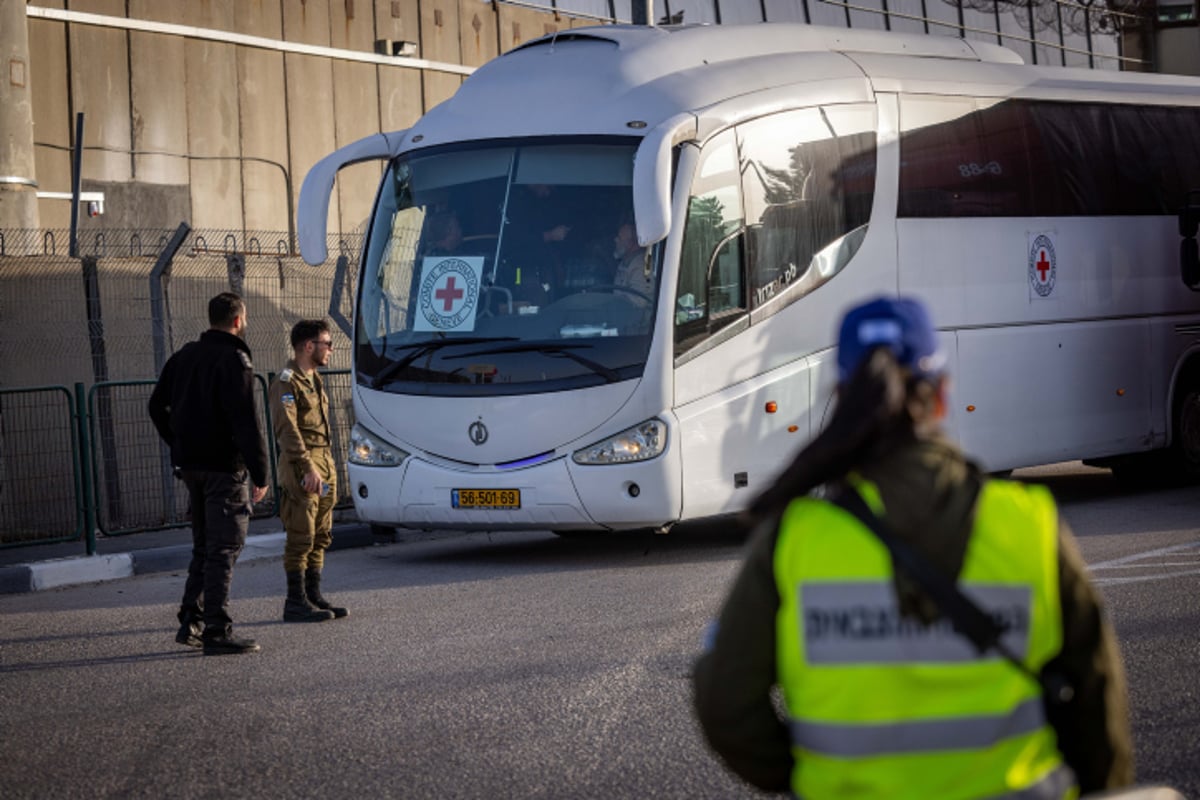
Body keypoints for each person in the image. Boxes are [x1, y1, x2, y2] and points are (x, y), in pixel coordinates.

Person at [693, 296, 1133, 798]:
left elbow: (724, 703)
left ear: (842, 395)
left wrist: (803, 779)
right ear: (942, 396)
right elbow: (1098, 698)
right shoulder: (1028, 522)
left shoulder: (795, 536)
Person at [148, 292, 269, 656]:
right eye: (244, 318)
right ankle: (217, 630)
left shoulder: (183, 356)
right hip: (223, 469)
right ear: (237, 320)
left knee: (205, 546)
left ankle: (193, 620)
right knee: (224, 547)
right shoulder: (235, 359)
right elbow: (246, 423)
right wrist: (261, 473)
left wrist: (179, 444)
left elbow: (156, 407)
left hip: (192, 467)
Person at [268, 319, 347, 623]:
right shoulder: (287, 381)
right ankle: (295, 601)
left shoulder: (315, 378)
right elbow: (288, 430)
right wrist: (307, 467)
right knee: (301, 534)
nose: (331, 349)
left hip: (324, 463)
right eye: (327, 343)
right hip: (304, 465)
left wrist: (325, 467)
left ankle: (313, 595)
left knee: (321, 533)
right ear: (309, 346)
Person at [611, 219, 652, 297]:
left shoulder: (643, 267)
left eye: (620, 238)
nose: (615, 240)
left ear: (632, 243)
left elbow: (636, 303)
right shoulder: (625, 262)